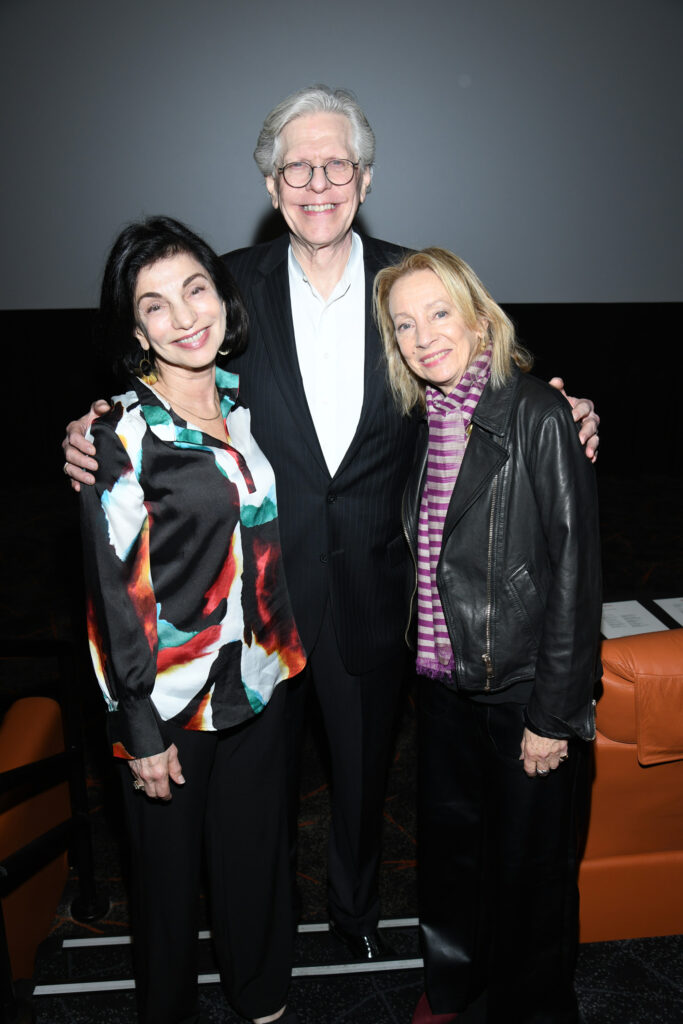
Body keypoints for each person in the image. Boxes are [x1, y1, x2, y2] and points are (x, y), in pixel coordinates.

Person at [63, 85, 600, 962]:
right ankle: (257, 938)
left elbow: (487, 376)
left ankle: (353, 922)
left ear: (365, 177)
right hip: (251, 610)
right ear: (271, 186)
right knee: (255, 796)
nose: (317, 182)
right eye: (296, 168)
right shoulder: (219, 288)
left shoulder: (408, 283)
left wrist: (567, 409)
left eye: (336, 164)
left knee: (361, 786)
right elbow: (160, 399)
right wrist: (86, 433)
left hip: (375, 590)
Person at [79, 215, 305, 1024]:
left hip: (259, 683)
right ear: (135, 329)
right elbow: (113, 593)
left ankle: (261, 999)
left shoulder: (241, 406)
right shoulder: (123, 436)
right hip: (171, 710)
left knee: (254, 864)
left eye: (195, 290)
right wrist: (136, 721)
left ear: (220, 294)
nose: (184, 317)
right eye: (155, 306)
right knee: (167, 893)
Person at [374, 247, 602, 1024]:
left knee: (531, 873)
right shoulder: (423, 420)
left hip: (519, 689)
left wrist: (551, 712)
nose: (423, 335)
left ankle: (533, 1009)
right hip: (442, 685)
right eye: (403, 325)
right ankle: (455, 989)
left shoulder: (536, 413)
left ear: (479, 317)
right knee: (452, 858)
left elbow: (576, 571)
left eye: (439, 313)